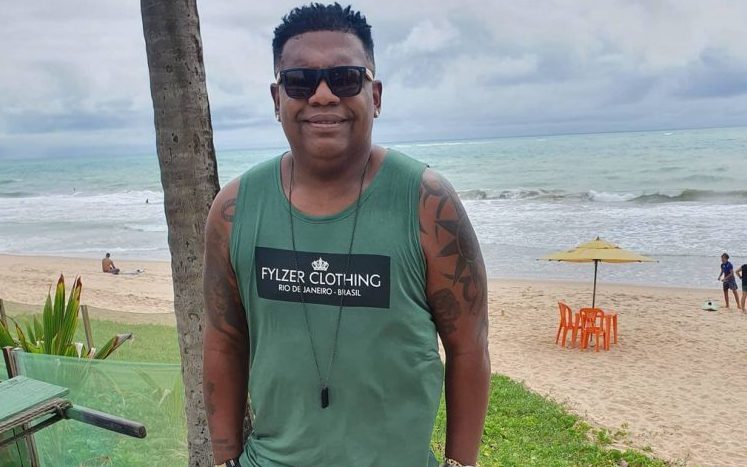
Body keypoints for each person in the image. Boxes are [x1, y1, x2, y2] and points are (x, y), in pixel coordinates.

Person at [202, 4, 490, 467]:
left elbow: (469, 347)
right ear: (277, 99)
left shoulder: (427, 203)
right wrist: (224, 460)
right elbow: (223, 341)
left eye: (344, 79)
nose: (322, 96)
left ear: (375, 96)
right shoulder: (234, 211)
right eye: (300, 81)